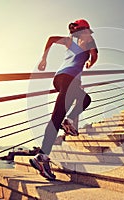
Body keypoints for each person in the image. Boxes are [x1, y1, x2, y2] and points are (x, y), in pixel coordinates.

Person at [29, 19, 98, 180]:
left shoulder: (71, 43)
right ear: (83, 32)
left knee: (84, 99)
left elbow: (51, 39)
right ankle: (42, 156)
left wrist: (43, 59)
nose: (89, 34)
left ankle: (67, 122)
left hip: (60, 79)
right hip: (68, 80)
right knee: (60, 115)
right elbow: (94, 56)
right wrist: (90, 62)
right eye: (87, 31)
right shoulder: (84, 42)